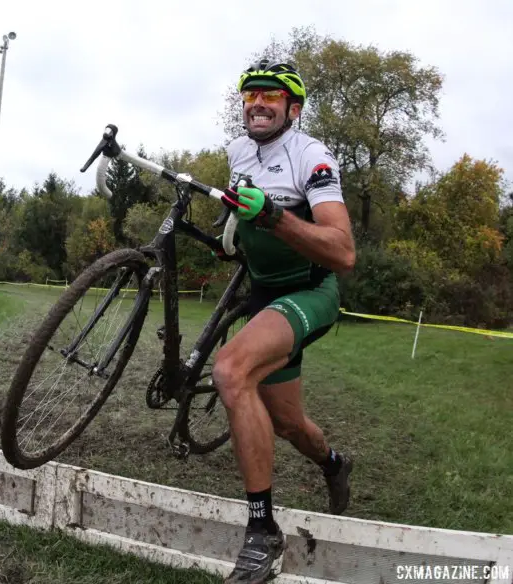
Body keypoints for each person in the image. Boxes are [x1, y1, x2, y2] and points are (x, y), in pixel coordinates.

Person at [214, 59, 356, 583]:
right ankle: (334, 463)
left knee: (230, 371)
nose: (258, 102)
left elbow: (342, 251)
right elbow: (240, 212)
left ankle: (261, 533)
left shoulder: (311, 156)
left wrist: (271, 215)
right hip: (264, 294)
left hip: (310, 291)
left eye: (271, 96)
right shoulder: (237, 150)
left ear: (293, 109)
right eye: (251, 94)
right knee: (290, 424)